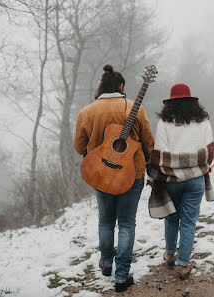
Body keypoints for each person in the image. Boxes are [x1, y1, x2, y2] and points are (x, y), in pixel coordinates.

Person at [73, 65, 154, 292]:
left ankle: (106, 263)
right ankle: (121, 276)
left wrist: (94, 157)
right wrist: (150, 164)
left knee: (106, 221)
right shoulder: (134, 108)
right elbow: (148, 141)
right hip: (132, 173)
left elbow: (79, 145)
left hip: (100, 173)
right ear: (121, 87)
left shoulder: (87, 111)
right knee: (127, 223)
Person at [147, 83, 214, 280]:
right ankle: (183, 264)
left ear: (170, 103)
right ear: (192, 102)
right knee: (189, 222)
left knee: (171, 218)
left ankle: (169, 255)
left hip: (171, 180)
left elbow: (159, 153)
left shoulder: (164, 123)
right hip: (195, 179)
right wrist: (203, 167)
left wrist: (156, 177)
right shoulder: (203, 121)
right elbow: (210, 150)